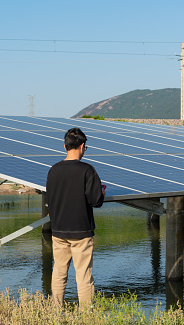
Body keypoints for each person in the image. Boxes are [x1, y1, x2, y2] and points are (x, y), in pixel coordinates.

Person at [46, 127, 105, 306]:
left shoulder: (53, 170)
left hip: (58, 231)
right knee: (84, 276)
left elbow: (51, 198)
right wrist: (101, 192)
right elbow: (95, 201)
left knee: (59, 273)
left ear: (65, 147)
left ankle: (56, 310)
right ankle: (86, 315)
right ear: (82, 146)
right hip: (81, 231)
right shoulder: (87, 170)